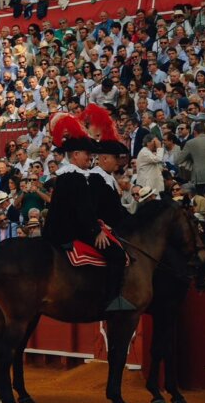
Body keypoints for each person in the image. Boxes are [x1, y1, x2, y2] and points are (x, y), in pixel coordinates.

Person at [42, 113, 131, 313]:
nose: (90, 157)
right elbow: (83, 209)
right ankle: (112, 300)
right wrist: (95, 231)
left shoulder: (67, 175)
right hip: (70, 231)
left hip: (60, 228)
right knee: (116, 254)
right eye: (86, 153)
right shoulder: (76, 176)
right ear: (75, 154)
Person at [82, 105, 136, 312]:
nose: (119, 163)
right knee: (117, 256)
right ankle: (111, 299)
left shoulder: (105, 177)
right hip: (100, 227)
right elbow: (101, 209)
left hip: (107, 225)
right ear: (104, 158)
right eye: (116, 159)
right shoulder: (98, 178)